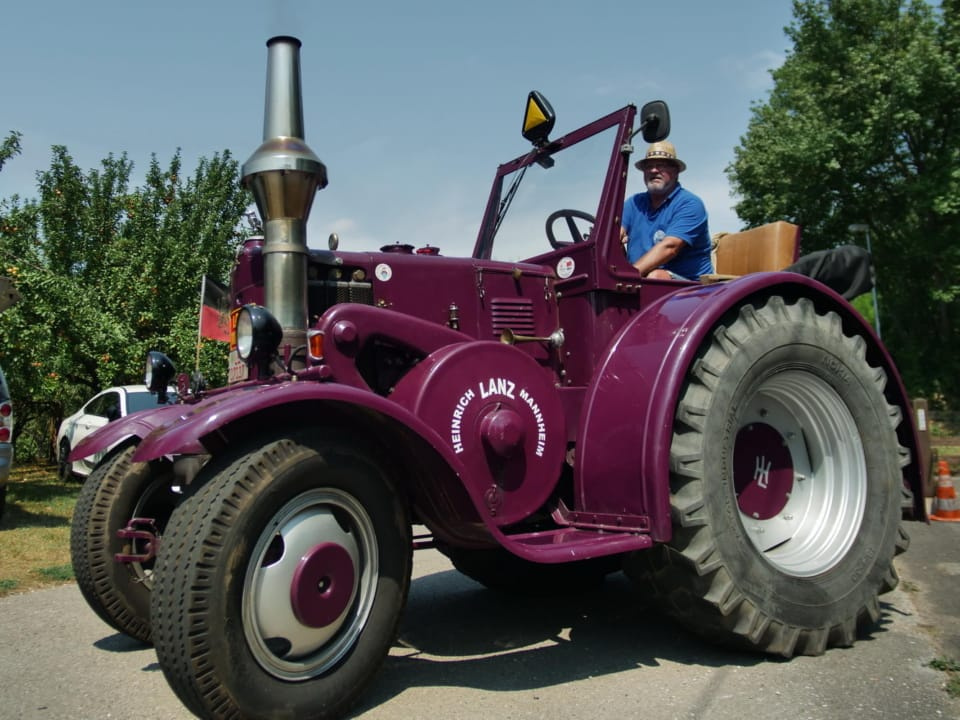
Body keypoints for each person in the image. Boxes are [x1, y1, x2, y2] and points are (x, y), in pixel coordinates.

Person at [621, 141, 713, 281]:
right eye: (649, 166)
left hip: (691, 289)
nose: (653, 171)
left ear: (676, 171)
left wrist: (628, 277)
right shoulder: (634, 203)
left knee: (656, 277)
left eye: (661, 165)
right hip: (640, 281)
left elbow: (669, 247)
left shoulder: (689, 204)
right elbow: (614, 232)